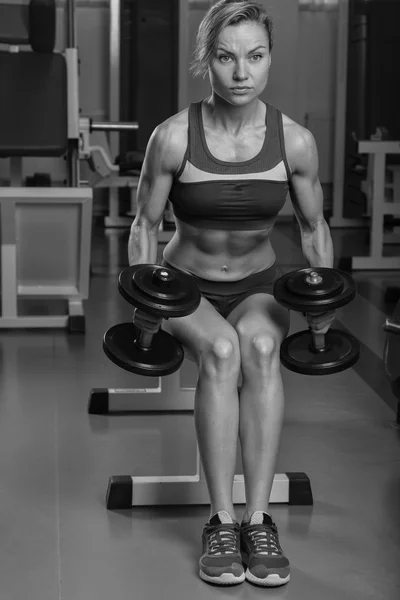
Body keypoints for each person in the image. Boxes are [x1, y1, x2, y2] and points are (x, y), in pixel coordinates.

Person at [128, 0, 335, 588]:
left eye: (256, 56)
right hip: (184, 288)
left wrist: (321, 314)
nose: (241, 73)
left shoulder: (294, 142)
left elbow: (314, 228)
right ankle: (221, 520)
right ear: (207, 62)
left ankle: (259, 518)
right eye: (226, 57)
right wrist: (146, 312)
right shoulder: (172, 137)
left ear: (270, 60)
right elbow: (143, 227)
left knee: (262, 352)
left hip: (259, 286)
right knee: (221, 354)